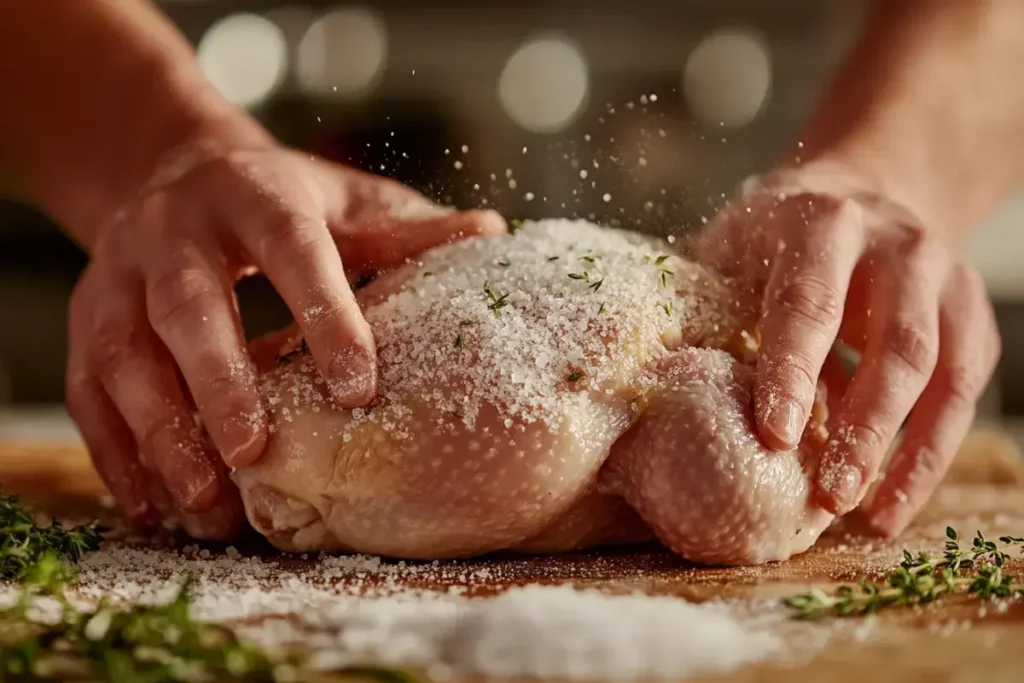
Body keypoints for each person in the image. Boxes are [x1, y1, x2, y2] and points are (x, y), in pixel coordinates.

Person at [0, 0, 1013, 541]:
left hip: (768, 218)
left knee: (734, 462)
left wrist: (889, 165)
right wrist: (156, 141)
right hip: (257, 156)